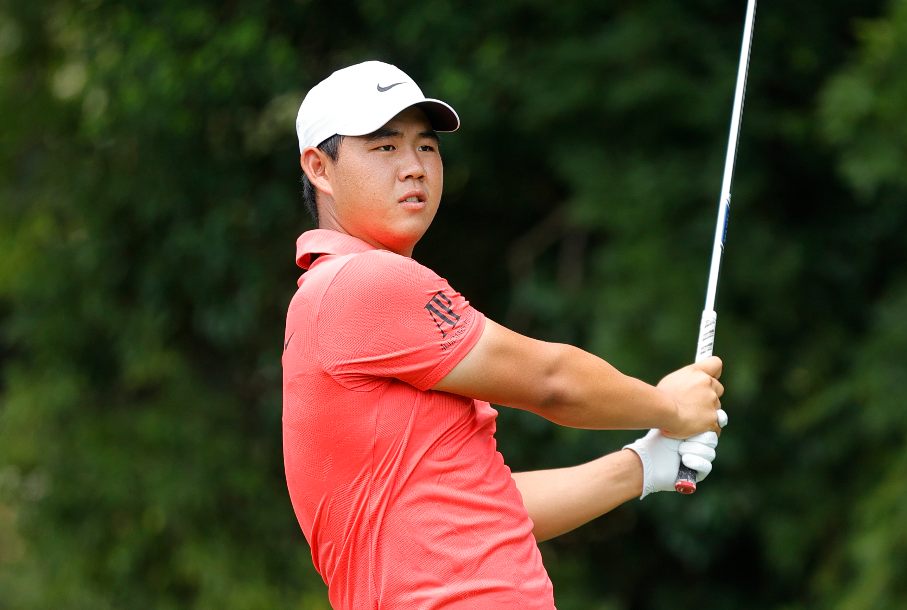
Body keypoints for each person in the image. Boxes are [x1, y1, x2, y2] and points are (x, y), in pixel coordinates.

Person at [281, 60, 728, 610]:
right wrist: (669, 406)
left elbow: (486, 508)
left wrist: (641, 466)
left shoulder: (333, 301)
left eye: (426, 147)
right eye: (385, 147)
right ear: (319, 168)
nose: (414, 167)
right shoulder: (362, 282)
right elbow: (551, 381)